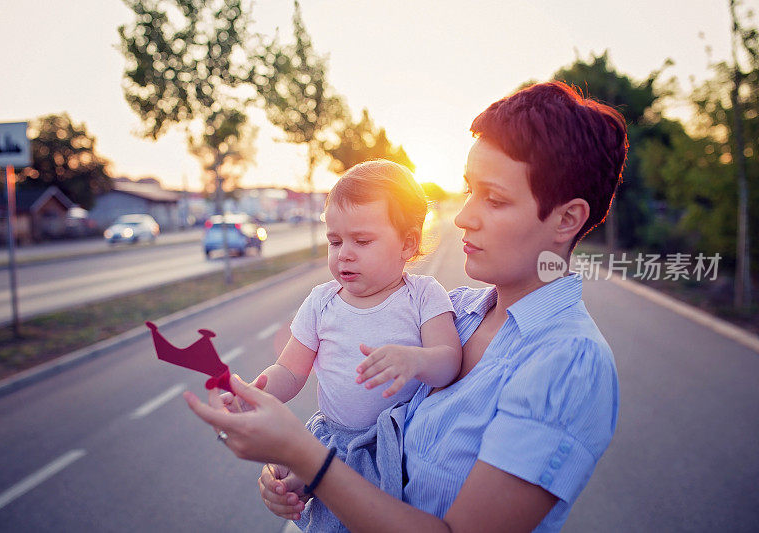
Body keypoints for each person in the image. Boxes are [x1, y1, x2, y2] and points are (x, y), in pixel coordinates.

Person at [184, 81, 627, 532]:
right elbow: (377, 439)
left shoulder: (569, 361)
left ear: (567, 218)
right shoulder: (460, 311)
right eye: (468, 191)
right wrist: (298, 473)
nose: (464, 216)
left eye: (494, 200)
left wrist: (307, 457)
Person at [233, 160, 462, 531]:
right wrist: (255, 394)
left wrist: (415, 360)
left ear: (408, 243)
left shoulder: (423, 296)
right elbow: (290, 371)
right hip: (334, 442)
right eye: (335, 241)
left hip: (396, 446)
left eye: (362, 241)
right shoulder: (322, 302)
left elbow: (450, 362)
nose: (344, 254)